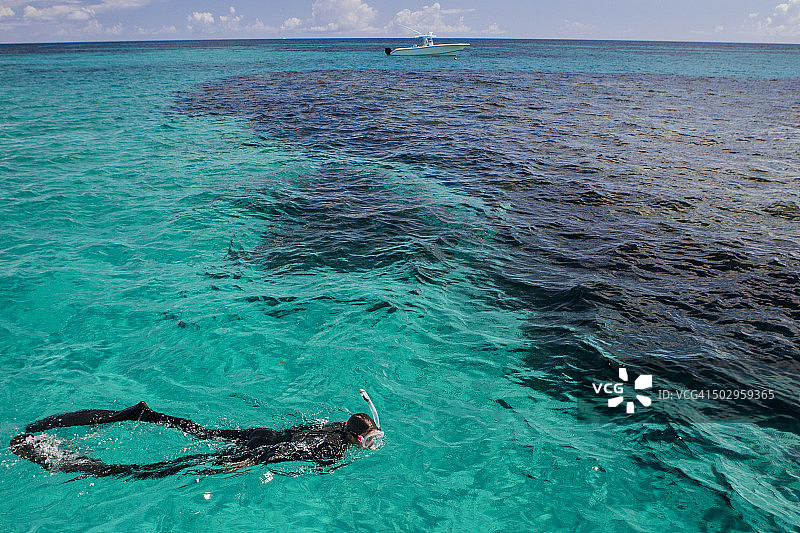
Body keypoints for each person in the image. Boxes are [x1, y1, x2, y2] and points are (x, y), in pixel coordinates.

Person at [9, 390, 383, 479]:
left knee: (201, 433)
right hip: (265, 450)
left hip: (261, 433)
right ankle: (89, 466)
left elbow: (296, 435)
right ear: (361, 438)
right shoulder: (334, 449)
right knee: (175, 466)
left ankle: (151, 417)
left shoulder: (332, 425)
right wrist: (247, 462)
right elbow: (290, 454)